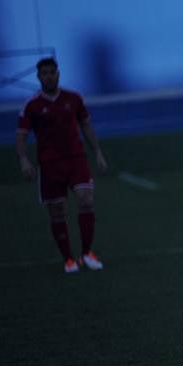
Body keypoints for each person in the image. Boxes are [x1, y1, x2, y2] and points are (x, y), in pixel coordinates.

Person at [15, 58, 108, 273]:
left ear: (59, 73)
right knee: (57, 212)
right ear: (39, 77)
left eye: (52, 72)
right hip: (49, 165)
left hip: (76, 159)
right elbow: (21, 135)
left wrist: (98, 153)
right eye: (44, 73)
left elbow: (86, 126)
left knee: (86, 199)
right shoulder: (32, 105)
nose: (49, 76)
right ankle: (68, 259)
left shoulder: (74, 98)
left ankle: (87, 253)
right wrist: (23, 160)